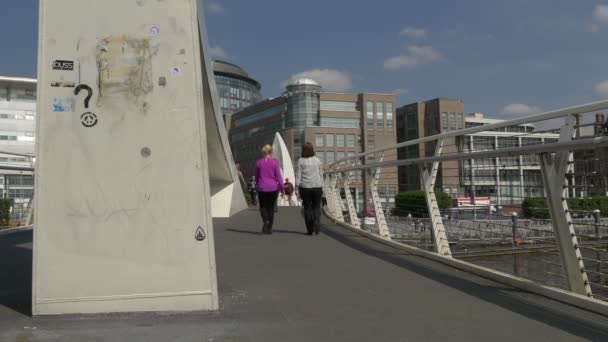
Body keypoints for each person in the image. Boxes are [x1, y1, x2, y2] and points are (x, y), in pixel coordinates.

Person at [296, 142, 324, 235]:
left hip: (305, 187)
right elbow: (321, 175)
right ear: (312, 150)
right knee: (316, 206)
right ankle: (316, 221)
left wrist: (297, 188)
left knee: (307, 207)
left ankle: (309, 229)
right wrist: (322, 185)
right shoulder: (318, 160)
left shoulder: (300, 161)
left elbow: (298, 176)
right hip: (317, 186)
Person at [255, 144, 284, 234]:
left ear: (263, 152)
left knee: (263, 206)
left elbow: (256, 176)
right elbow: (279, 176)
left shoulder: (258, 162)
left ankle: (265, 220)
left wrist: (257, 184)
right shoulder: (275, 162)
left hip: (262, 187)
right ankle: (269, 228)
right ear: (271, 152)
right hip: (273, 188)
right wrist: (282, 188)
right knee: (271, 208)